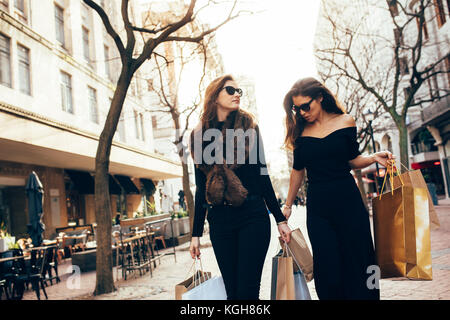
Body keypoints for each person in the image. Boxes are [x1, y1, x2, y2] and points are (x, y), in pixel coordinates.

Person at [282, 77, 394, 300]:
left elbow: (352, 160)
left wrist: (373, 157)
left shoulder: (346, 121)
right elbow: (297, 171)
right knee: (328, 268)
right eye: (297, 108)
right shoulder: (299, 132)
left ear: (320, 98)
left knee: (360, 260)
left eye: (306, 106)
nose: (302, 112)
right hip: (319, 207)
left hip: (349, 201)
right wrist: (287, 206)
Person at [189, 74, 291, 300]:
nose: (237, 94)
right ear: (215, 96)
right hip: (219, 222)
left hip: (252, 217)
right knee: (232, 293)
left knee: (247, 291)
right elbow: (200, 188)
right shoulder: (198, 136)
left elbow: (263, 175)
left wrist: (279, 219)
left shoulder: (249, 127)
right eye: (230, 90)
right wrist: (196, 233)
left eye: (239, 91)